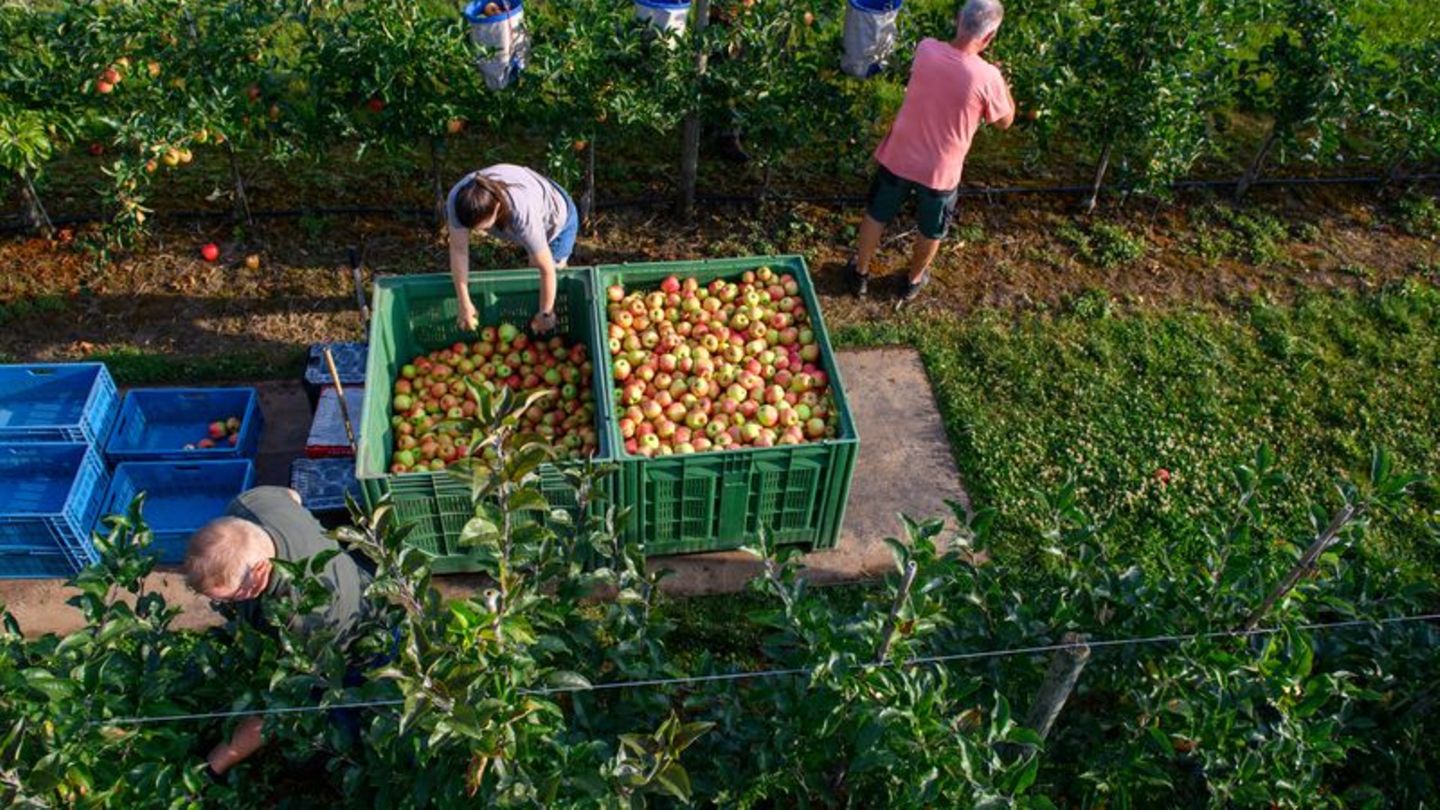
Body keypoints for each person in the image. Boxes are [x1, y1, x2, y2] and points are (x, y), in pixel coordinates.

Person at [183, 486, 373, 780]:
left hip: (358, 634)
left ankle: (357, 769)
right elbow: (291, 495)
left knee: (343, 714)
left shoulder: (304, 615)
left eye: (232, 597)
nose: (222, 605)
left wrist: (214, 765)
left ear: (260, 571)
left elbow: (279, 703)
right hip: (353, 578)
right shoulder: (251, 506)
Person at [846, 0, 1015, 303]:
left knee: (877, 213)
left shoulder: (926, 49)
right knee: (931, 229)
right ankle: (912, 281)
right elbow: (1005, 121)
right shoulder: (988, 77)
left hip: (899, 156)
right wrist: (1004, 84)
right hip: (940, 172)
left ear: (956, 20)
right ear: (989, 38)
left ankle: (860, 272)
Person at [447, 164, 580, 335]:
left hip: (558, 217)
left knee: (544, 275)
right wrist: (463, 302)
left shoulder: (522, 214)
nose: (479, 232)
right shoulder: (457, 200)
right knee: (534, 270)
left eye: (482, 227)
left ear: (496, 208)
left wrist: (545, 314)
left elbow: (547, 270)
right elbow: (459, 250)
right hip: (530, 196)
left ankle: (551, 327)